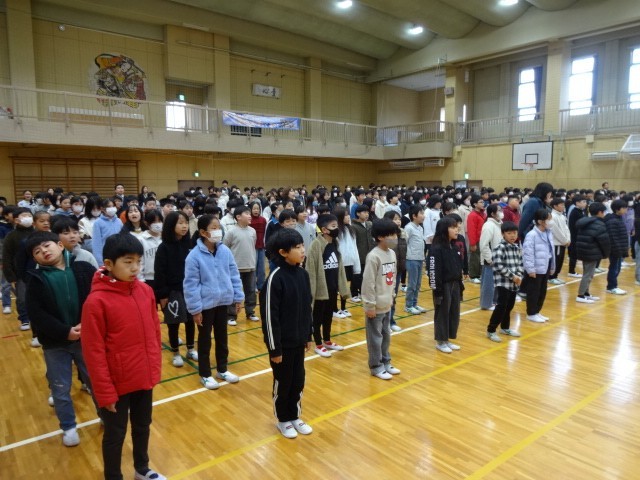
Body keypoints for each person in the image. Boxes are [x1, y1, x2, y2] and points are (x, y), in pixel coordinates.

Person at [81, 233, 165, 480]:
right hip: (116, 384)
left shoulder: (145, 291)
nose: (135, 268)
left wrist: (153, 369)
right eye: (128, 262)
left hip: (143, 377)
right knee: (115, 434)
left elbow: (154, 332)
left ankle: (142, 469)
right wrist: (105, 392)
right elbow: (93, 353)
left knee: (142, 426)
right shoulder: (96, 302)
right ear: (108, 264)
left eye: (138, 261)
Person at [25, 231, 97, 447]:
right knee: (60, 387)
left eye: (47, 246)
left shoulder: (83, 268)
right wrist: (65, 331)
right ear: (35, 258)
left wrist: (86, 324)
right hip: (55, 344)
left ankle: (106, 415)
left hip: (86, 339)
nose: (44, 251)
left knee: (95, 381)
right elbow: (37, 314)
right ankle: (68, 427)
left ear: (59, 245)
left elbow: (97, 297)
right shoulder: (36, 280)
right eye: (37, 251)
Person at [259, 228, 314, 439]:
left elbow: (306, 308)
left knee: (298, 380)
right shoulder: (275, 279)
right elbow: (269, 318)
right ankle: (283, 419)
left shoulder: (303, 275)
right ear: (283, 252)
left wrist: (308, 335)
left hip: (299, 341)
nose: (302, 250)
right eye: (297, 247)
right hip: (281, 345)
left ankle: (295, 415)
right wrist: (275, 349)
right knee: (283, 382)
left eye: (302, 246)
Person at [184, 214, 244, 390]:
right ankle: (205, 374)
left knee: (222, 338)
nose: (219, 231)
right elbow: (190, 285)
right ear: (203, 232)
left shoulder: (225, 251)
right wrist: (195, 309)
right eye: (214, 228)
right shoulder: (194, 256)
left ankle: (222, 369)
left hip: (223, 302)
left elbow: (234, 274)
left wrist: (238, 297)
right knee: (204, 340)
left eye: (219, 227)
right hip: (205, 305)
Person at [154, 211, 197, 367]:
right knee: (174, 323)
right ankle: (176, 353)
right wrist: (163, 294)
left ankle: (190, 349)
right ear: (171, 225)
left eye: (186, 223)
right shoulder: (163, 247)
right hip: (172, 291)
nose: (184, 226)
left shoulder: (189, 245)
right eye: (180, 223)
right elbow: (160, 272)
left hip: (189, 290)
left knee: (191, 321)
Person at [305, 214, 350, 358]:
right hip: (320, 289)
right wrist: (311, 291)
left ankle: (327, 340)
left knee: (328, 316)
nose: (337, 229)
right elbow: (311, 270)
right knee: (317, 318)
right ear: (324, 230)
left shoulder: (335, 243)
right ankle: (318, 344)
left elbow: (339, 266)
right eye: (333, 226)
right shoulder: (316, 245)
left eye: (337, 226)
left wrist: (341, 286)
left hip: (332, 287)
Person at [362, 219, 400, 380]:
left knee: (386, 336)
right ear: (380, 237)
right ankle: (376, 366)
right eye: (391, 235)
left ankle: (386, 361)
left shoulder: (392, 254)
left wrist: (392, 297)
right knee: (375, 338)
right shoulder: (373, 256)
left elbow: (392, 279)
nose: (395, 238)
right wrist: (369, 305)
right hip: (375, 306)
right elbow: (368, 283)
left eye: (395, 234)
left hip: (387, 304)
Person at [428, 217, 464, 353]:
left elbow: (457, 267)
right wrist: (437, 290)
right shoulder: (436, 249)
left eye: (456, 227)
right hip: (443, 286)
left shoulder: (454, 247)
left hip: (455, 284)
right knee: (442, 313)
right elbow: (433, 271)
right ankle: (440, 341)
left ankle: (447, 339)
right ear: (444, 230)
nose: (457, 229)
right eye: (453, 227)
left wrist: (460, 284)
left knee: (454, 312)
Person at [486, 222, 524, 342]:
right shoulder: (499, 248)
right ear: (503, 234)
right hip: (503, 283)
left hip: (514, 283)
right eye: (509, 233)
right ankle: (491, 330)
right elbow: (498, 266)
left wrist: (519, 276)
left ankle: (505, 328)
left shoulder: (517, 248)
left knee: (509, 306)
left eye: (514, 233)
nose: (512, 235)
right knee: (501, 306)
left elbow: (520, 264)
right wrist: (513, 277)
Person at [223, 205, 258, 323]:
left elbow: (252, 246)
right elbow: (225, 248)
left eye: (249, 214)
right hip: (235, 268)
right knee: (233, 292)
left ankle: (250, 312)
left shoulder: (252, 231)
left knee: (251, 291)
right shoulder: (231, 232)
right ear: (238, 217)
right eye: (247, 214)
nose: (250, 216)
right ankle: (231, 315)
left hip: (250, 267)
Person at [2, 207, 35, 330]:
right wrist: (11, 276)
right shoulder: (11, 236)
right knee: (22, 297)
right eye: (24, 216)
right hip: (20, 273)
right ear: (16, 220)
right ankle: (24, 319)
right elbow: (7, 256)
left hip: (38, 270)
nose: (28, 218)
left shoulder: (37, 232)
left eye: (29, 215)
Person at [522, 209, 555, 323]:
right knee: (533, 292)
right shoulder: (532, 235)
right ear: (540, 221)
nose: (550, 221)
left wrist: (552, 267)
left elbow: (551, 251)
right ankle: (531, 313)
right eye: (548, 219)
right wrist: (530, 269)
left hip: (545, 266)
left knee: (542, 291)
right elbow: (528, 254)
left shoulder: (548, 232)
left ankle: (537, 311)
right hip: (535, 269)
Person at [575, 202, 611, 304]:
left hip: (584, 250)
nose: (604, 214)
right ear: (599, 212)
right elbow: (604, 241)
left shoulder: (585, 221)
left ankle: (586, 293)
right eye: (603, 212)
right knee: (588, 275)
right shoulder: (599, 224)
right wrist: (606, 254)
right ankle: (581, 295)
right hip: (591, 252)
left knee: (588, 273)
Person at [383, 210, 406, 331]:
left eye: (399, 219)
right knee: (386, 296)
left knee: (393, 296)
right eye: (395, 219)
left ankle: (391, 321)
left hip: (398, 269)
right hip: (388, 270)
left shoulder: (402, 233)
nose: (398, 221)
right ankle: (385, 322)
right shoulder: (386, 236)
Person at [479, 203, 503, 310]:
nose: (501, 212)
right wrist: (490, 259)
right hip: (490, 260)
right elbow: (484, 245)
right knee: (488, 283)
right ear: (492, 214)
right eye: (499, 210)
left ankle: (494, 301)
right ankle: (486, 304)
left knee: (497, 283)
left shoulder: (499, 224)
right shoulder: (488, 225)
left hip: (499, 258)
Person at [404, 204, 427, 315]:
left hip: (420, 258)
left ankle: (414, 303)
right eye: (421, 213)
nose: (423, 216)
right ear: (414, 216)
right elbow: (404, 243)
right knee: (412, 284)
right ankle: (408, 306)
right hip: (411, 259)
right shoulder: (409, 228)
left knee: (417, 284)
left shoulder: (420, 228)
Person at [604, 199, 629, 295]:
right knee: (614, 268)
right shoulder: (612, 221)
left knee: (616, 268)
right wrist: (618, 250)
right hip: (615, 249)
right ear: (617, 209)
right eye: (624, 208)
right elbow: (613, 237)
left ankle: (612, 286)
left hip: (619, 249)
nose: (626, 209)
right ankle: (611, 287)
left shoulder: (618, 218)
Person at [351, 204, 375, 302]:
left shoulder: (369, 224)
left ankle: (363, 292)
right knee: (357, 275)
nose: (367, 214)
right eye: (364, 212)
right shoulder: (353, 226)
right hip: (359, 254)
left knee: (367, 276)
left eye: (367, 212)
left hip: (369, 253)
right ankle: (354, 293)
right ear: (358, 214)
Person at [92, 198, 123, 266]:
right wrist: (100, 261)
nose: (111, 208)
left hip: (119, 255)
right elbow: (96, 243)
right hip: (106, 256)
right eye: (109, 206)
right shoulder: (98, 223)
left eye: (113, 206)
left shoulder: (119, 221)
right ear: (102, 209)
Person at [548, 198, 571, 285]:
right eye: (561, 205)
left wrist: (568, 239)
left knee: (560, 261)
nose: (563, 206)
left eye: (563, 205)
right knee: (556, 261)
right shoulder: (552, 216)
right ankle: (551, 277)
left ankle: (556, 276)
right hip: (556, 243)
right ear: (555, 206)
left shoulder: (562, 216)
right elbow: (556, 231)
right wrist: (564, 241)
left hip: (563, 243)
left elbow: (566, 229)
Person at [466, 195, 486, 283]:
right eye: (480, 202)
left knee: (481, 258)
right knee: (475, 258)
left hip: (483, 239)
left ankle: (479, 274)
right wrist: (473, 243)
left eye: (483, 202)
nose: (483, 203)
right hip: (476, 240)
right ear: (474, 204)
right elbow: (471, 230)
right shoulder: (472, 215)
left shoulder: (483, 214)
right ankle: (473, 276)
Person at [567, 194, 588, 277]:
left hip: (579, 236)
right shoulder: (575, 212)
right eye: (583, 202)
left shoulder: (581, 211)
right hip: (575, 236)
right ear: (577, 203)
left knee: (576, 255)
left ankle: (572, 271)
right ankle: (571, 271)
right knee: (573, 255)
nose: (585, 203)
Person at [249, 200, 267, 292]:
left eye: (258, 209)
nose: (256, 210)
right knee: (254, 267)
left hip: (261, 246)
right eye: (254, 209)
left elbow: (265, 233)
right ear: (250, 210)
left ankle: (261, 285)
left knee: (261, 268)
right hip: (252, 246)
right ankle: (253, 285)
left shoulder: (263, 220)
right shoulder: (249, 220)